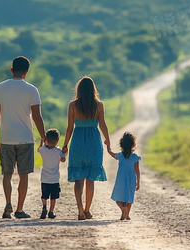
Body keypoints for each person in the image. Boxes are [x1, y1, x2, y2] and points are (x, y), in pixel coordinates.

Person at [0, 56, 46, 219]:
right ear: (26, 72)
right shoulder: (32, 90)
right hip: (26, 138)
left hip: (6, 138)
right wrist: (43, 137)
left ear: (12, 70)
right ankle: (20, 210)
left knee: (7, 174)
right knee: (24, 175)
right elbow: (37, 117)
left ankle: (8, 203)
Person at [62, 76, 109, 221]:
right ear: (93, 89)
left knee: (79, 179)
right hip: (94, 142)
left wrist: (65, 145)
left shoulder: (73, 105)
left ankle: (80, 210)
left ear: (79, 89)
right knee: (90, 179)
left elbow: (70, 128)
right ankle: (88, 210)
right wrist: (107, 140)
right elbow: (102, 125)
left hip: (78, 142)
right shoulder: (99, 105)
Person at [107, 132, 140, 221]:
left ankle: (123, 209)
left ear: (122, 144)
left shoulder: (120, 156)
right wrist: (138, 183)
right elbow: (137, 171)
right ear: (133, 145)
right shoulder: (135, 157)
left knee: (118, 197)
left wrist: (108, 146)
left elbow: (110, 153)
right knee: (129, 197)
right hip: (131, 180)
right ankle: (127, 213)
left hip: (121, 180)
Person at [37, 128, 66, 219]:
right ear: (57, 140)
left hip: (44, 178)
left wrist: (42, 141)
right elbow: (63, 160)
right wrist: (65, 153)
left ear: (46, 140)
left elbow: (39, 148)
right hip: (54, 179)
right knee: (53, 197)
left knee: (44, 195)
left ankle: (44, 206)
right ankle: (51, 211)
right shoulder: (58, 151)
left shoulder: (43, 150)